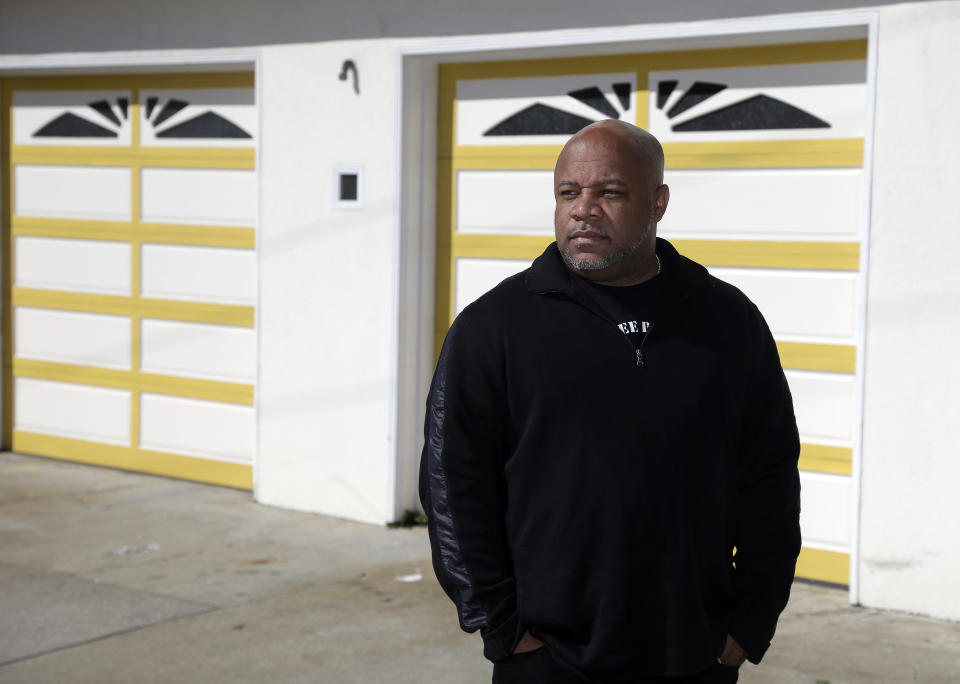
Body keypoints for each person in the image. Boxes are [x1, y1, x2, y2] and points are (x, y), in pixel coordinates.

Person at [419, 120, 801, 683]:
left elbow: (769, 477)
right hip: (548, 657)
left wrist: (750, 622)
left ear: (658, 202)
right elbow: (453, 484)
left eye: (611, 192)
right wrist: (499, 624)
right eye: (569, 193)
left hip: (694, 653)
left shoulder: (726, 320)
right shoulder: (493, 328)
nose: (584, 210)